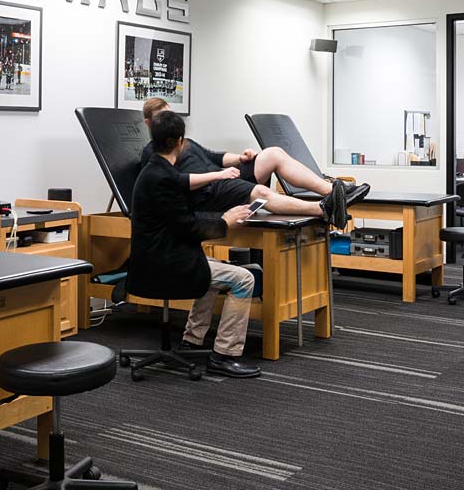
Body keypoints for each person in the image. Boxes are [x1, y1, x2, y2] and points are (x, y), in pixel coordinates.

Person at [129, 110, 260, 378]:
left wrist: (218, 176)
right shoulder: (164, 178)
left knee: (213, 269)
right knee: (244, 279)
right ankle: (225, 355)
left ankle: (192, 341)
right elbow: (188, 228)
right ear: (180, 141)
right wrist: (225, 221)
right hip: (166, 264)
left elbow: (182, 183)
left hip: (149, 261)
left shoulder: (155, 169)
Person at [139, 97, 368, 228]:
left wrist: (241, 158)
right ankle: (323, 209)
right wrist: (217, 175)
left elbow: (215, 157)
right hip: (207, 193)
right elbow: (176, 183)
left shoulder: (185, 141)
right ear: (149, 123)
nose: (169, 122)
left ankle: (336, 191)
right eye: (162, 118)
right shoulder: (154, 153)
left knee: (272, 154)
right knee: (259, 192)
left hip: (223, 178)